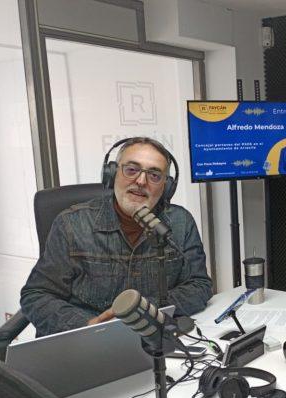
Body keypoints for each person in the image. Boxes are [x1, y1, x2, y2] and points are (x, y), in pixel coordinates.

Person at [20, 137, 213, 337]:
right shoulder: (71, 224)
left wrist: (140, 311)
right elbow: (36, 296)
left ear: (166, 186)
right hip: (86, 340)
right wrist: (89, 325)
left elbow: (199, 285)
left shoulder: (180, 223)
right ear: (112, 174)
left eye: (154, 175)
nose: (140, 181)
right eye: (131, 170)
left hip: (151, 337)